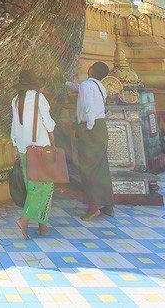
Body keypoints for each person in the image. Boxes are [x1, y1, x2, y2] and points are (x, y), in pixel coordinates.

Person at [11, 70, 57, 236]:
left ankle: (42, 226)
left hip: (24, 149)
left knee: (33, 188)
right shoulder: (39, 98)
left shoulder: (16, 100)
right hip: (40, 149)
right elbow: (48, 122)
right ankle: (24, 220)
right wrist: (52, 132)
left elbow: (14, 127)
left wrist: (15, 145)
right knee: (45, 188)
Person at [66, 63, 113, 222]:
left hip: (90, 129)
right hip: (101, 128)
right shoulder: (100, 86)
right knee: (101, 167)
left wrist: (87, 128)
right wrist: (66, 83)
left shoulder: (87, 85)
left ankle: (93, 208)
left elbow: (88, 108)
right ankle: (108, 205)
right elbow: (81, 89)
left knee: (88, 168)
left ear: (91, 70)